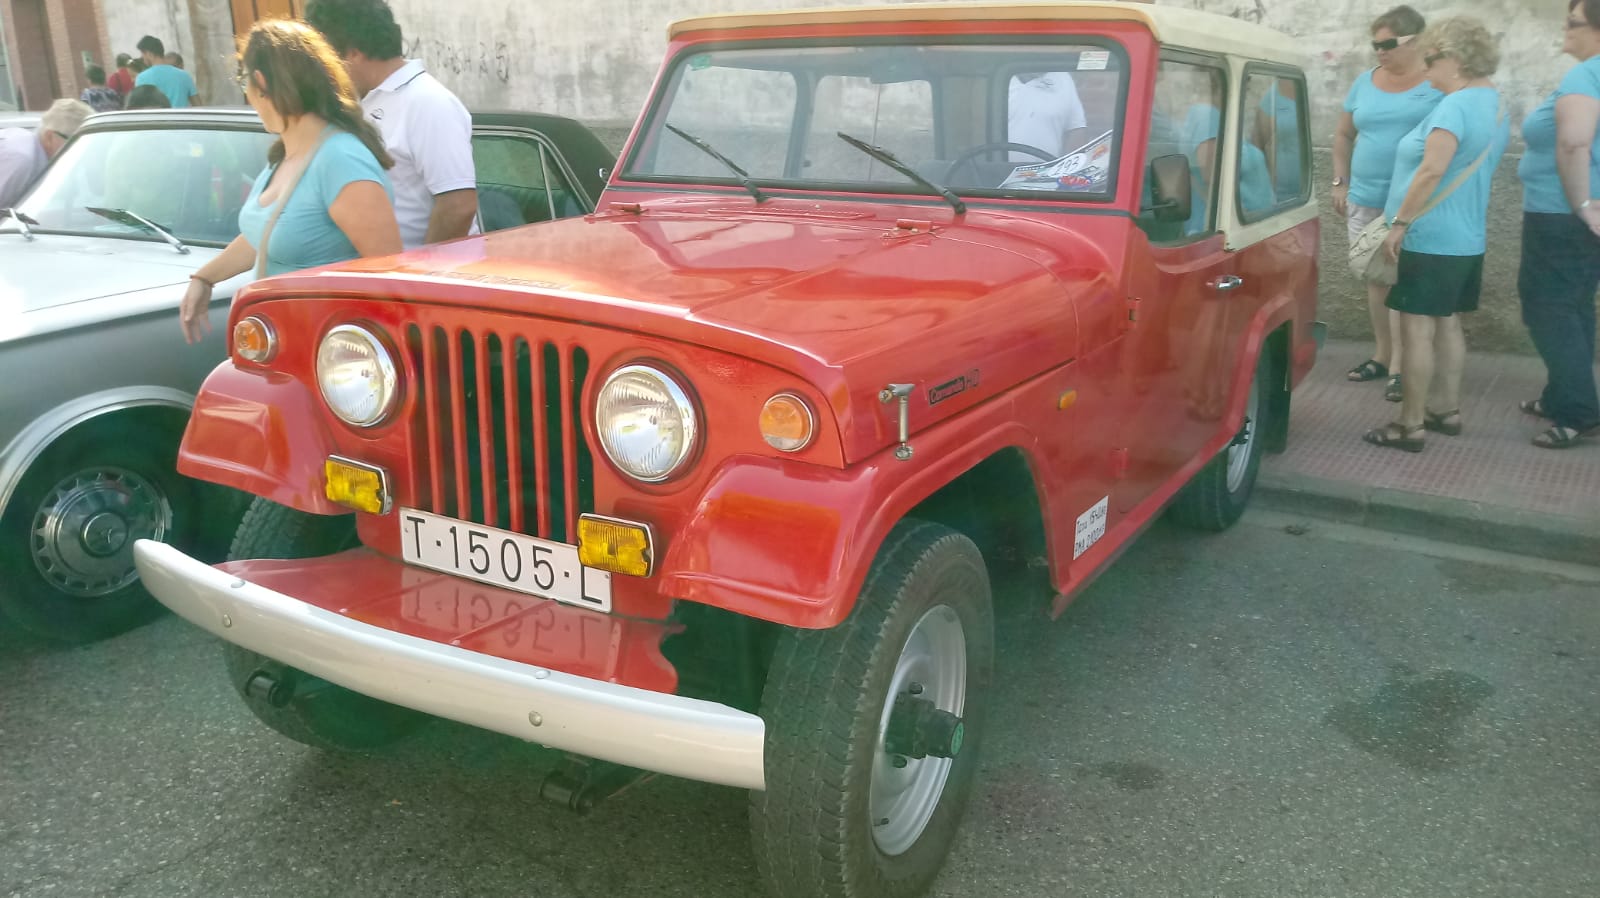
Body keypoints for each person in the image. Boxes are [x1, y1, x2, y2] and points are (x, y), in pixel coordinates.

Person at [178, 19, 401, 344]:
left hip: (324, 352)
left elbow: (389, 274)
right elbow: (264, 234)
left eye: (243, 82)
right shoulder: (285, 155)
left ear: (260, 82)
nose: (247, 95)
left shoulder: (340, 160)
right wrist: (204, 278)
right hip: (280, 347)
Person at [1363, 17, 1509, 453]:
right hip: (1467, 237)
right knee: (1448, 323)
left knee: (1416, 331)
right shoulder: (1496, 105)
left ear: (1456, 59)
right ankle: (1446, 409)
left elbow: (1431, 171)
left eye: (1430, 59)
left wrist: (1400, 223)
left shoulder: (1454, 107)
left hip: (1429, 236)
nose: (1425, 70)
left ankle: (1410, 424)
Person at [1332, 5, 1442, 402]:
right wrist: (1340, 181)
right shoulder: (1365, 81)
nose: (1380, 51)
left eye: (1389, 44)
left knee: (1404, 282)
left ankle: (1401, 366)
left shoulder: (1435, 83)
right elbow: (1343, 135)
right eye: (1375, 45)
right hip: (1365, 197)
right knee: (1376, 279)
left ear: (1415, 41)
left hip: (1410, 203)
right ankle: (1382, 355)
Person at [305, 0, 477, 248]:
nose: (325, 73)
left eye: (326, 61)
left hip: (420, 268)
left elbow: (458, 205)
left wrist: (419, 268)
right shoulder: (358, 101)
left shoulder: (427, 102)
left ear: (353, 53)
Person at [1514, 0, 1600, 449]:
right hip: (1574, 216)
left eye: (1573, 21)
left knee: (1547, 308)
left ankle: (1578, 413)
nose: (1565, 27)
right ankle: (1562, 395)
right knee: (1574, 306)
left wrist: (1582, 204)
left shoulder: (1586, 75)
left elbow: (1573, 142)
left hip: (1561, 216)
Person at [0, 98, 90, 207]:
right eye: (75, 142)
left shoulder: (33, 154)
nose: (81, 150)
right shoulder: (22, 159)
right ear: (49, 137)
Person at [1007, 71, 1087, 161]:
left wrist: (1070, 166)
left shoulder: (1063, 78)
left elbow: (1076, 129)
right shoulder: (999, 75)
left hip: (1050, 168)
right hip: (1002, 168)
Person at [134, 35, 199, 108]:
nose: (142, 58)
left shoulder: (142, 78)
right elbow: (198, 106)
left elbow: (140, 108)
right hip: (181, 116)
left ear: (149, 54)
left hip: (157, 116)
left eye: (143, 54)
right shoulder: (185, 76)